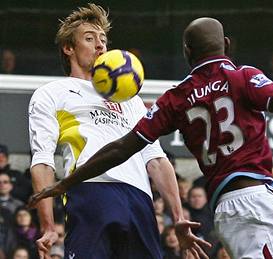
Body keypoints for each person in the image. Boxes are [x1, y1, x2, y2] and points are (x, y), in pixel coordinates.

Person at [29, 17, 273, 259]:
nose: (99, 45)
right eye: (89, 39)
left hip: (257, 203)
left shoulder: (173, 99)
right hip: (246, 209)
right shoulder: (242, 77)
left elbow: (128, 148)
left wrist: (67, 181)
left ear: (187, 52)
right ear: (226, 42)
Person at [27, 4, 208, 259]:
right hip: (91, 191)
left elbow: (155, 159)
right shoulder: (52, 92)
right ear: (68, 48)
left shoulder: (130, 99)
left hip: (139, 199)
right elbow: (43, 160)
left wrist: (178, 216)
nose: (100, 45)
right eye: (89, 39)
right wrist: (47, 224)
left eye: (103, 40)